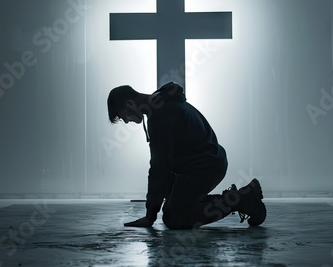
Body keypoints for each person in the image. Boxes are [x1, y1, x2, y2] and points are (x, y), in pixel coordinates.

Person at [107, 82, 266, 229]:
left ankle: (240, 201)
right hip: (204, 163)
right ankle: (241, 197)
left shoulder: (161, 115)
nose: (126, 122)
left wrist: (150, 216)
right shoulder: (164, 104)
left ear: (130, 104)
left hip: (205, 167)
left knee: (175, 218)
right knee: (174, 204)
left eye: (123, 117)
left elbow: (160, 167)